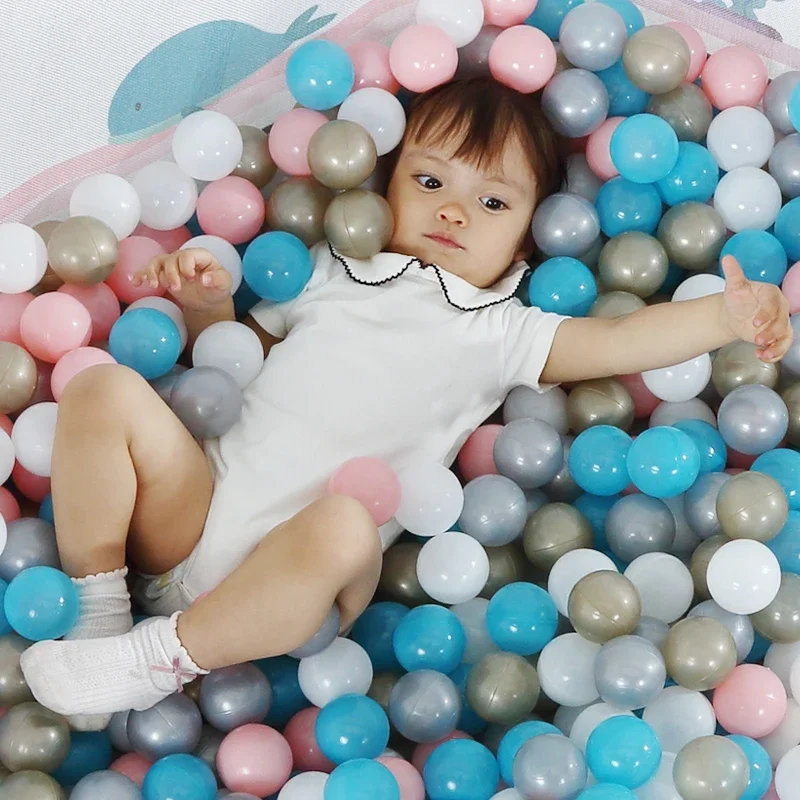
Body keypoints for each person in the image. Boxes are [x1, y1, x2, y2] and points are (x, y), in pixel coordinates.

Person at [20, 77, 791, 727]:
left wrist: (722, 317)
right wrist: (206, 308)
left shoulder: (502, 331)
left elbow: (621, 341)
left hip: (288, 576)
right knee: (101, 388)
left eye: (492, 205)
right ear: (384, 186)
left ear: (526, 245)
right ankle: (100, 608)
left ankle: (154, 660)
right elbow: (226, 371)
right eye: (429, 184)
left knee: (346, 521)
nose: (453, 213)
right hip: (193, 506)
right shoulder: (330, 269)